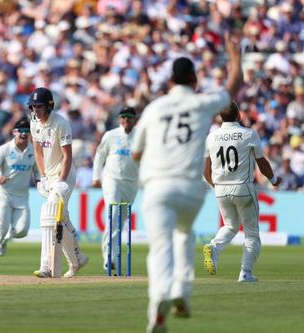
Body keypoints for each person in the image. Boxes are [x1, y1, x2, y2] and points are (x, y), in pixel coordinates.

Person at [131, 32, 244, 333]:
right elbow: (234, 87)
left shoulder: (155, 109)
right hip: (190, 189)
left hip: (157, 186)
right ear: (193, 80)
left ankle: (159, 303)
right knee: (184, 234)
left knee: (160, 246)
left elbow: (135, 152)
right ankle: (181, 288)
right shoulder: (201, 103)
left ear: (170, 82)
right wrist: (235, 59)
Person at [203, 101, 281, 283]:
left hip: (221, 189)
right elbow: (262, 163)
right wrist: (274, 180)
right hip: (243, 187)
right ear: (239, 115)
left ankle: (214, 246)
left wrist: (219, 187)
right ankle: (245, 273)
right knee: (251, 233)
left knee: (230, 226)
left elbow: (206, 171)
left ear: (221, 117)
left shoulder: (211, 137)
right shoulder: (248, 134)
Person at [29, 87, 89, 278]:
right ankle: (77, 259)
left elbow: (67, 155)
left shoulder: (61, 123)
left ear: (49, 105)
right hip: (49, 176)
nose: (36, 110)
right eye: (33, 106)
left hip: (65, 176)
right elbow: (37, 150)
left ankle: (47, 267)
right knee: (60, 219)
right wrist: (43, 175)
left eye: (39, 106)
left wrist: (60, 180)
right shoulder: (34, 122)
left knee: (49, 213)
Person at [0, 119, 39, 273]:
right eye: (21, 131)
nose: (24, 134)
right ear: (14, 132)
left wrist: (38, 180)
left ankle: (5, 239)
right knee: (0, 228)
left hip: (22, 196)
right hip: (3, 194)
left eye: (27, 131)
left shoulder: (33, 151)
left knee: (22, 231)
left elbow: (37, 170)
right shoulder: (4, 149)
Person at [92, 106, 139, 271]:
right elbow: (99, 156)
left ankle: (112, 254)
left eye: (129, 117)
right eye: (123, 117)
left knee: (121, 221)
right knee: (112, 216)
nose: (125, 120)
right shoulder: (111, 135)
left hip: (131, 183)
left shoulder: (140, 136)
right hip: (112, 180)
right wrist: (96, 177)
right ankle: (108, 258)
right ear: (120, 119)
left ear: (134, 119)